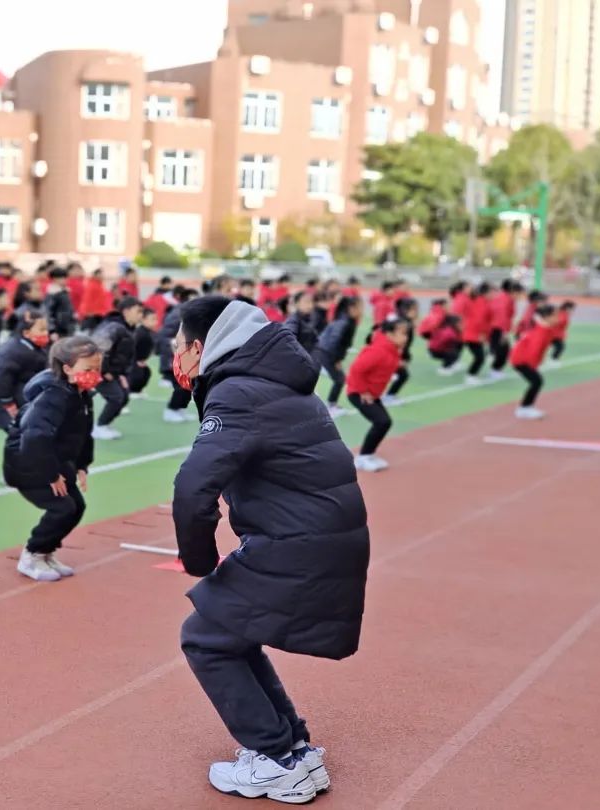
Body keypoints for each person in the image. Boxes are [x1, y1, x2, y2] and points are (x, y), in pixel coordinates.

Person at [170, 296, 368, 802]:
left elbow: (194, 487)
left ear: (201, 345)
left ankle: (279, 760)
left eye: (179, 344)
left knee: (205, 636)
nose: (175, 354)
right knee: (229, 630)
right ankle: (293, 749)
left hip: (301, 541)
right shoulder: (274, 379)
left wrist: (198, 561)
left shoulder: (238, 392)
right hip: (318, 535)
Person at [3, 336, 99, 582]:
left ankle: (46, 551)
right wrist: (51, 475)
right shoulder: (53, 395)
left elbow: (83, 432)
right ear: (67, 368)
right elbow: (35, 437)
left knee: (76, 507)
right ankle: (31, 554)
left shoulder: (81, 393)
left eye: (97, 368)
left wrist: (81, 465)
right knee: (62, 508)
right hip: (29, 464)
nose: (94, 374)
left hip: (57, 461)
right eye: (88, 369)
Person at [346, 319, 408, 472]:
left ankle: (368, 454)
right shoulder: (378, 350)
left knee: (384, 422)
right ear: (389, 334)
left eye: (406, 333)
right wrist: (363, 391)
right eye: (402, 333)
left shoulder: (392, 348)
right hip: (358, 393)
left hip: (373, 394)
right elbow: (356, 370)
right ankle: (362, 458)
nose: (406, 337)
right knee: (382, 422)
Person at [0, 308, 50, 430]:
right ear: (26, 333)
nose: (45, 333)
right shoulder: (15, 352)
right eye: (41, 330)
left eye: (46, 329)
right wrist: (8, 403)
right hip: (14, 403)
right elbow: (2, 380)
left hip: (25, 400)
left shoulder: (34, 348)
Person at [91, 297, 141, 441]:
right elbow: (98, 347)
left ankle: (104, 425)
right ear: (126, 311)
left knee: (123, 396)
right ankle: (99, 427)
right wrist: (104, 371)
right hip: (98, 370)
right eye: (138, 311)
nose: (140, 315)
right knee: (116, 397)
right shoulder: (114, 327)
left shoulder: (129, 329)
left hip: (115, 372)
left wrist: (121, 373)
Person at [313, 296, 361, 418]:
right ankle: (331, 406)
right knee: (339, 379)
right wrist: (336, 359)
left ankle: (331, 404)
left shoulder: (347, 320)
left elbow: (343, 343)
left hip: (325, 352)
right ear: (350, 308)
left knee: (339, 379)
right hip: (325, 353)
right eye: (359, 307)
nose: (361, 310)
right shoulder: (344, 322)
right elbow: (334, 341)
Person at [510, 304, 557, 420]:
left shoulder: (544, 328)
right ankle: (524, 409)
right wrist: (533, 365)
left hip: (524, 359)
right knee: (537, 381)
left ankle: (526, 408)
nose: (557, 318)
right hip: (521, 360)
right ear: (546, 317)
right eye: (554, 315)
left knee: (537, 382)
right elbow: (534, 349)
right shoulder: (541, 330)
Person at [159, 287, 198, 424]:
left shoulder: (191, 314)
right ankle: (171, 410)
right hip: (174, 355)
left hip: (186, 355)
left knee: (188, 385)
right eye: (193, 298)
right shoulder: (178, 313)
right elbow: (165, 335)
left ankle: (179, 409)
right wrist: (175, 349)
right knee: (181, 385)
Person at [383, 298, 419, 405]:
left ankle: (386, 394)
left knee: (399, 375)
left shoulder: (405, 322)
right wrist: (398, 358)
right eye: (414, 309)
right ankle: (389, 396)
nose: (417, 312)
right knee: (403, 375)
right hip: (392, 354)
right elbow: (395, 342)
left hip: (397, 354)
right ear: (406, 310)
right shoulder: (402, 324)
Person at [488, 280, 521, 381]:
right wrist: (504, 332)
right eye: (518, 292)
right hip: (497, 328)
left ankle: (495, 368)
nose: (519, 295)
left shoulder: (504, 297)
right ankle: (494, 371)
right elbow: (502, 316)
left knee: (504, 350)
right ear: (512, 291)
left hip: (496, 327)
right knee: (504, 351)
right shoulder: (505, 299)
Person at [462, 282, 493, 384]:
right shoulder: (481, 303)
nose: (494, 294)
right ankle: (470, 376)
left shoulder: (481, 301)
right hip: (473, 335)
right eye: (492, 292)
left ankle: (471, 375)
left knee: (480, 356)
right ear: (486, 293)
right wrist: (482, 334)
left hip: (473, 334)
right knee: (480, 357)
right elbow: (479, 320)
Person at [128, 307, 158, 397]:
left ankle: (137, 390)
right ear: (143, 320)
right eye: (152, 319)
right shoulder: (139, 333)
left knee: (146, 372)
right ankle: (129, 390)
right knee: (137, 374)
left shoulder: (149, 332)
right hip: (132, 360)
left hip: (140, 360)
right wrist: (136, 360)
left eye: (156, 319)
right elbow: (130, 348)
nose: (155, 322)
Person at [43, 268, 77, 338]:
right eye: (62, 278)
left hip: (68, 327)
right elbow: (48, 312)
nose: (65, 280)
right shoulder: (52, 293)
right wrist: (52, 330)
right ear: (54, 279)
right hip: (58, 328)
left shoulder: (64, 291)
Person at [283, 290, 318, 356]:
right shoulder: (293, 320)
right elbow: (288, 342)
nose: (310, 305)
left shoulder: (310, 318)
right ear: (297, 303)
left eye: (311, 302)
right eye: (306, 302)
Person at [548, 301, 575, 366]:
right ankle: (553, 360)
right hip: (554, 334)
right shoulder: (563, 313)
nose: (573, 311)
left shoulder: (563, 313)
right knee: (560, 347)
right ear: (568, 308)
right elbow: (559, 321)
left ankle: (554, 360)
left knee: (559, 347)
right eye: (572, 309)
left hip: (556, 334)